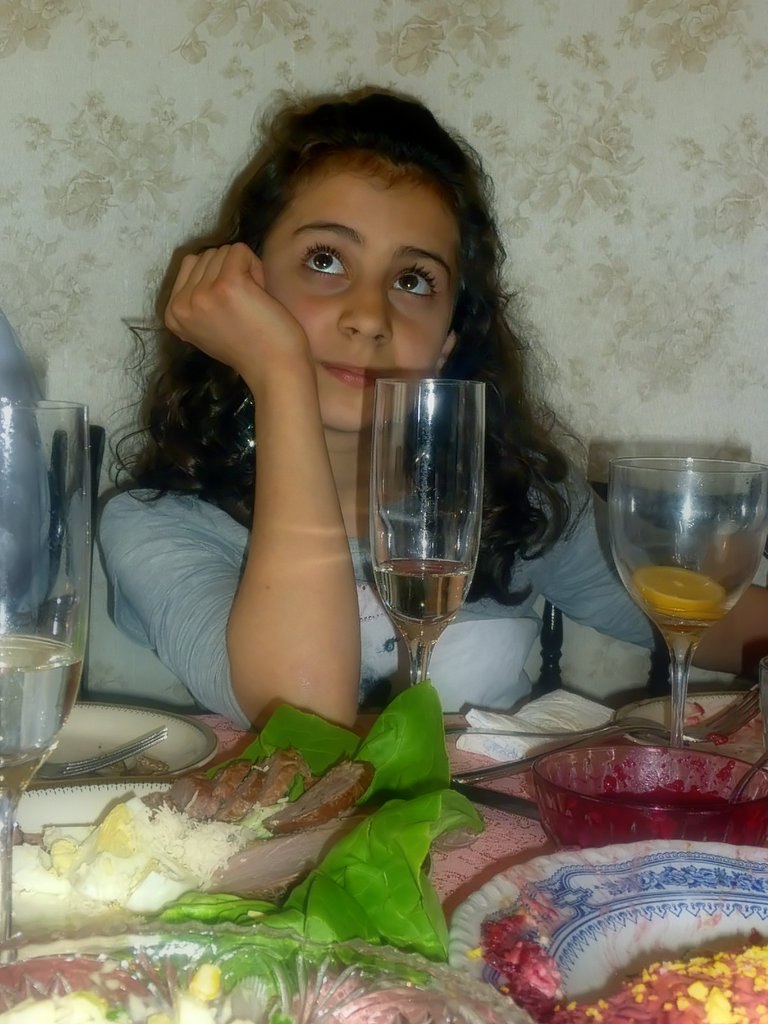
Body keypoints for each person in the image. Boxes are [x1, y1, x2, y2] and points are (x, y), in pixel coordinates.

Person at [99, 87, 768, 730]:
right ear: (247, 292)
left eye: (413, 280)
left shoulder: (512, 499)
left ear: (448, 339)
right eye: (325, 260)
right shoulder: (159, 525)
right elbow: (305, 719)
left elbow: (717, 625)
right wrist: (279, 374)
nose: (368, 315)